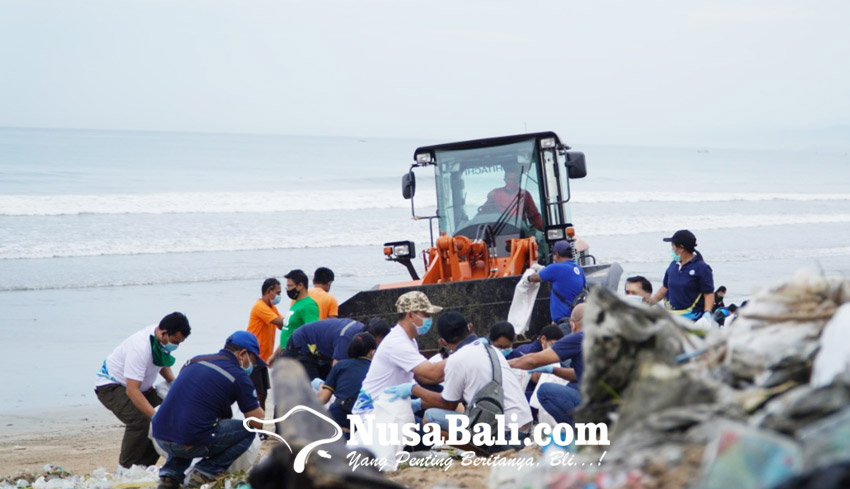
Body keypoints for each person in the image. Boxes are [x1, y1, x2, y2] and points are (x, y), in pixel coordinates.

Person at [387, 311, 533, 449]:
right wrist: (419, 403)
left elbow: (448, 404)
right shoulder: (490, 348)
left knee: (430, 417)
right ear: (470, 328)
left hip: (508, 435)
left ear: (443, 342)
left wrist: (414, 390)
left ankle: (488, 453)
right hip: (525, 428)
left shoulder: (456, 360)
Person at [152, 331, 265, 489]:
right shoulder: (238, 376)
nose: (252, 366)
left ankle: (169, 476)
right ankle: (203, 473)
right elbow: (257, 420)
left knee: (188, 423)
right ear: (243, 354)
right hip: (187, 442)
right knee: (248, 429)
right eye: (252, 360)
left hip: (159, 434)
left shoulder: (195, 360)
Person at [94, 312, 191, 469]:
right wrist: (156, 416)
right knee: (142, 421)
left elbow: (161, 361)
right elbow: (132, 391)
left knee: (171, 413)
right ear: (164, 333)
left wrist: (173, 383)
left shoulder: (160, 339)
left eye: (179, 343)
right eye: (175, 342)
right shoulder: (140, 347)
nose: (176, 346)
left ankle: (143, 466)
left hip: (141, 387)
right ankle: (125, 468)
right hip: (111, 385)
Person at [353, 291, 446, 413]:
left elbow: (424, 378)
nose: (429, 319)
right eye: (426, 314)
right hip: (375, 413)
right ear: (411, 315)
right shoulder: (397, 343)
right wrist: (463, 352)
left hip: (391, 408)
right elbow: (432, 373)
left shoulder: (409, 340)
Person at [509, 304, 586, 426]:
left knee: (544, 391)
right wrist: (553, 370)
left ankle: (580, 431)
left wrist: (506, 363)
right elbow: (579, 375)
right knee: (572, 385)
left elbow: (534, 361)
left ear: (572, 324)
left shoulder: (579, 338)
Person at [281, 317, 390, 380]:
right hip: (302, 345)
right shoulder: (347, 338)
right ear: (369, 334)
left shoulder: (362, 336)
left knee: (325, 386)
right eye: (378, 342)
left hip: (322, 354)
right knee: (310, 390)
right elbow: (337, 367)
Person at [649, 230, 715, 321]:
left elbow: (708, 293)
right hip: (672, 318)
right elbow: (665, 287)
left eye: (673, 246)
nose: (672, 249)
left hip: (692, 318)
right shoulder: (673, 265)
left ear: (681, 248)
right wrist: (649, 303)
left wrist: (707, 313)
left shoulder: (702, 268)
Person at [318, 332, 378, 428]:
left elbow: (324, 398)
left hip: (337, 416)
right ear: (372, 352)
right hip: (363, 421)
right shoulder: (376, 369)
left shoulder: (340, 365)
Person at [528, 240, 587, 325]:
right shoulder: (579, 269)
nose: (553, 258)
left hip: (565, 323)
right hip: (578, 322)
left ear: (557, 255)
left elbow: (535, 277)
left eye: (553, 255)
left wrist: (527, 278)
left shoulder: (555, 268)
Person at [246, 278, 283, 411]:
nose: (279, 296)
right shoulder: (260, 307)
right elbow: (282, 323)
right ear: (269, 291)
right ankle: (258, 425)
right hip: (252, 356)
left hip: (262, 357)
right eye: (278, 292)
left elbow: (281, 326)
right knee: (258, 394)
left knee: (264, 393)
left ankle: (260, 426)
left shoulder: (271, 307)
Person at [272, 269, 319, 360]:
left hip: (296, 356)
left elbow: (312, 333)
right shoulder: (295, 303)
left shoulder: (308, 305)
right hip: (285, 353)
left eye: (290, 286)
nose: (288, 290)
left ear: (300, 285)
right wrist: (275, 355)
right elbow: (288, 331)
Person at [479, 167, 543, 231]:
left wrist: (544, 229)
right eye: (510, 179)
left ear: (519, 180)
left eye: (514, 180)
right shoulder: (495, 193)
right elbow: (484, 212)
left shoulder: (525, 195)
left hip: (519, 232)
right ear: (505, 180)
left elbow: (534, 216)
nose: (512, 182)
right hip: (499, 230)